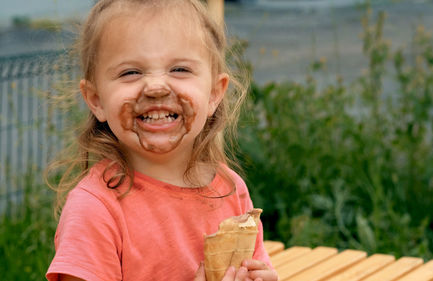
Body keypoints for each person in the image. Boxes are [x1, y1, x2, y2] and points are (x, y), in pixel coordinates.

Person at [45, 0, 278, 280]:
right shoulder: (95, 210)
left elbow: (255, 265)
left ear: (215, 93)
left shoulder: (230, 190)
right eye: (130, 72)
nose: (155, 87)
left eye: (179, 69)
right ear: (96, 100)